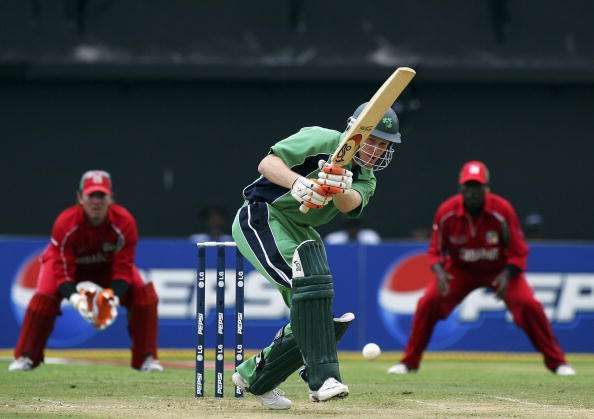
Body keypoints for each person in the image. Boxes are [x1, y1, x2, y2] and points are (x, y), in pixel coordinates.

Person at [230, 103, 403, 409]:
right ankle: (322, 377)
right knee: (309, 291)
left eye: (384, 145)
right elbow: (268, 163)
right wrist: (297, 182)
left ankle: (255, 376)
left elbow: (352, 204)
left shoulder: (366, 177)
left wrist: (341, 187)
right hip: (263, 216)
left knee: (310, 308)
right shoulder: (322, 139)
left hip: (302, 230)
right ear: (357, 131)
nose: (377, 151)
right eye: (374, 140)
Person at [387, 161, 575, 376]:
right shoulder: (447, 212)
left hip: (499, 270)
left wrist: (509, 273)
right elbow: (434, 250)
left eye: (478, 187)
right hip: (460, 270)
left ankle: (558, 363)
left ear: (487, 189)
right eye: (469, 187)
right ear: (461, 189)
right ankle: (409, 362)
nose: (473, 193)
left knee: (529, 305)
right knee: (428, 302)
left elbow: (518, 250)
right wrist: (439, 271)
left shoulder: (502, 210)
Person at [9, 170, 162, 373]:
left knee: (144, 294)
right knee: (43, 298)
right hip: (68, 268)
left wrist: (111, 297)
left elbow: (124, 270)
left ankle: (146, 358)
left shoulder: (124, 222)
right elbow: (62, 272)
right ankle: (26, 357)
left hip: (105, 268)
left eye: (101, 196)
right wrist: (75, 299)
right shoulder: (65, 223)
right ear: (80, 197)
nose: (96, 202)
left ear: (111, 198)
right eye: (91, 196)